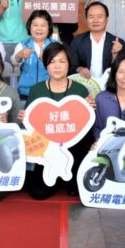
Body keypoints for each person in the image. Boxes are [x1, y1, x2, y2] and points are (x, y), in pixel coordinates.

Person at [24, 43, 93, 199]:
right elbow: (30, 124)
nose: (57, 66)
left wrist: (90, 109)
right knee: (38, 193)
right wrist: (24, 117)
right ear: (46, 65)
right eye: (52, 62)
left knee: (78, 191)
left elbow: (86, 127)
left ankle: (71, 176)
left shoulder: (80, 90)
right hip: (46, 148)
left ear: (69, 64)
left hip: (74, 147)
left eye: (62, 61)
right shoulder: (36, 90)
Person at [69, 1, 124, 79]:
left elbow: (122, 70)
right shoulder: (77, 41)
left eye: (99, 17)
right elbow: (70, 67)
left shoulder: (118, 43)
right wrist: (80, 69)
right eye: (91, 17)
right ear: (86, 19)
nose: (95, 20)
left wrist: (115, 55)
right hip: (85, 83)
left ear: (107, 19)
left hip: (109, 85)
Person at [11, 10, 56, 100]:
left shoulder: (55, 45)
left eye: (43, 25)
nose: (39, 29)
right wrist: (19, 55)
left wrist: (47, 60)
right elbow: (14, 62)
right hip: (26, 93)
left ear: (49, 28)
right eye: (35, 25)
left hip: (50, 93)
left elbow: (61, 67)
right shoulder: (23, 44)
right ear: (29, 26)